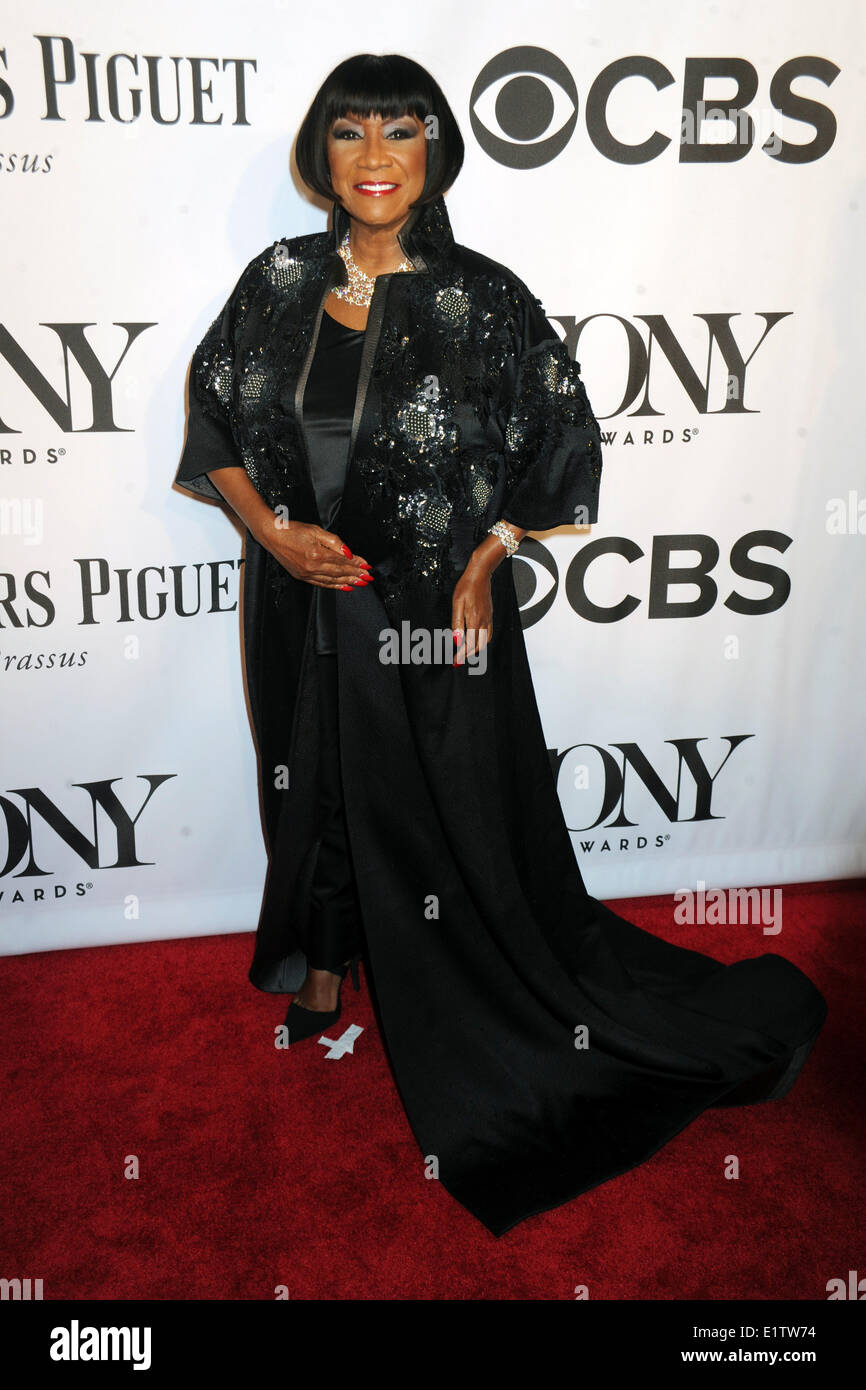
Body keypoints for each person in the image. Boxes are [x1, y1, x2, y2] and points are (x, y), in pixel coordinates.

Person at [174, 53, 828, 1238]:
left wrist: (488, 557)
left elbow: (559, 435)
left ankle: (473, 993)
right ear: (320, 155)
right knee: (309, 774)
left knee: (446, 813)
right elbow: (214, 411)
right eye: (349, 133)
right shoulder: (272, 281)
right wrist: (271, 534)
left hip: (430, 612)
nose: (374, 157)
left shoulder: (485, 296)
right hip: (300, 598)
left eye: (401, 132)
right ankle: (325, 959)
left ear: (435, 152)